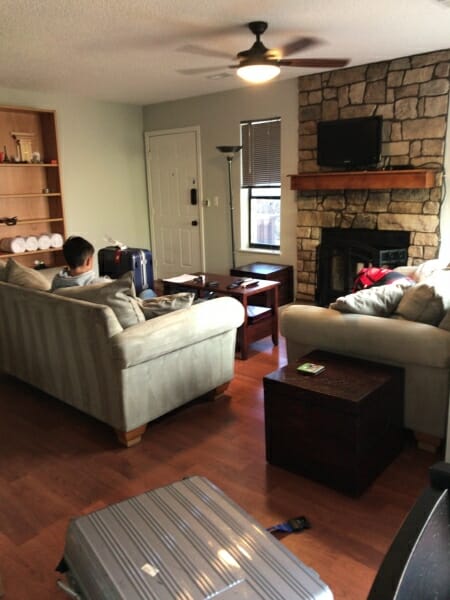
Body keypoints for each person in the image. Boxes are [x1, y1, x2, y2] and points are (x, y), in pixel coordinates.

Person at [51, 235, 157, 299]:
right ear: (88, 261)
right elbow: (127, 291)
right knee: (147, 292)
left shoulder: (57, 283)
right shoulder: (99, 285)